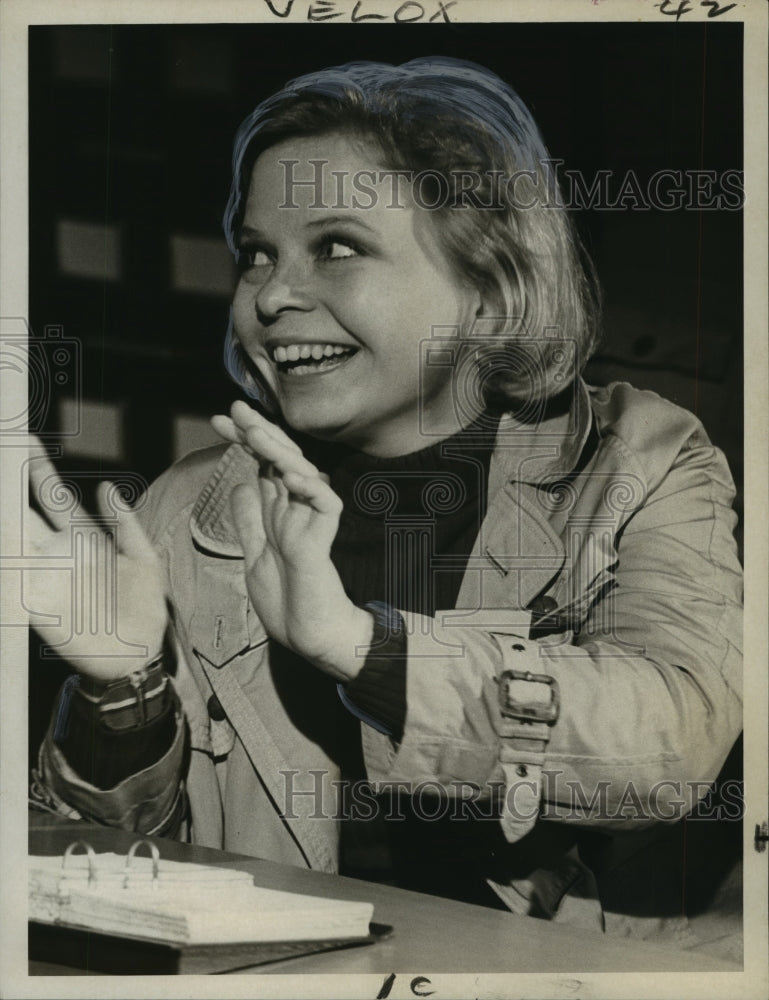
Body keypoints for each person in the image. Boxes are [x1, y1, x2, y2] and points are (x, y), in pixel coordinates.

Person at [29, 58, 742, 942]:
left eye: (336, 245)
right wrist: (122, 694)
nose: (273, 295)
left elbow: (671, 744)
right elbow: (126, 882)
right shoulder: (187, 506)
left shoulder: (641, 457)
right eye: (256, 254)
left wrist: (364, 651)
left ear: (488, 290)